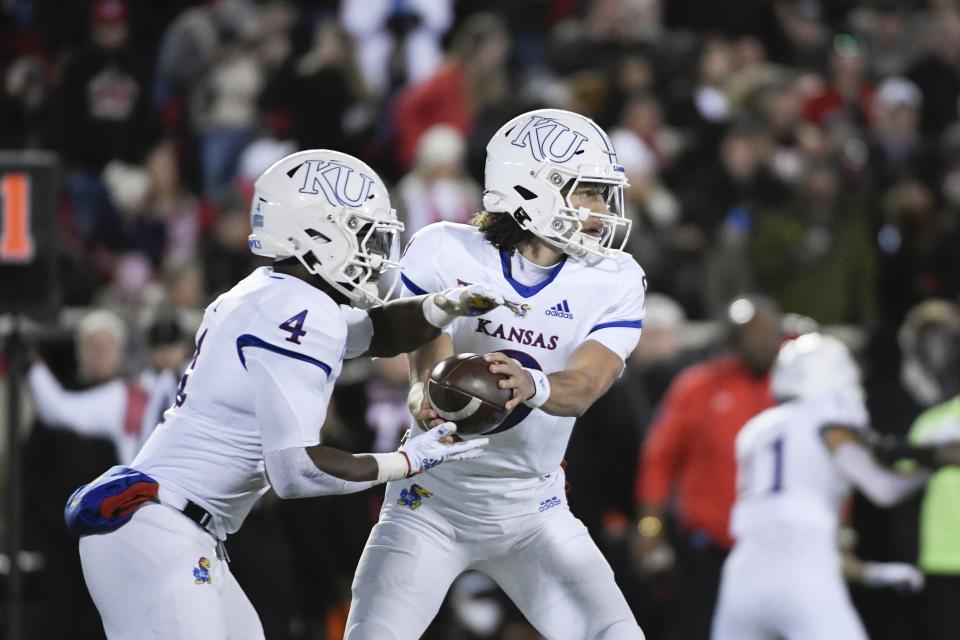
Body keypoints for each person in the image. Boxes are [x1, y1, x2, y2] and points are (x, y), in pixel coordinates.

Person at [69, 149, 511, 640]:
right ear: (318, 232)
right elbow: (295, 471)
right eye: (361, 232)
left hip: (173, 526)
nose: (373, 251)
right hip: (161, 529)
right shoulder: (298, 309)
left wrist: (442, 305)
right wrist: (406, 462)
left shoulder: (275, 293)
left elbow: (373, 333)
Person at [345, 108, 647, 639]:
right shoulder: (446, 248)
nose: (603, 209)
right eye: (589, 192)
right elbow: (426, 380)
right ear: (533, 191)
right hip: (430, 503)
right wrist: (431, 397)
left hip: (534, 508)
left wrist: (534, 385)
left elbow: (585, 387)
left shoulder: (615, 279)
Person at [712, 333, 936, 640]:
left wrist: (876, 573)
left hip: (741, 578)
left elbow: (786, 533)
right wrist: (929, 469)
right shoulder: (828, 421)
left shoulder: (755, 431)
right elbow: (884, 488)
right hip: (803, 576)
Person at [633, 294, 782, 640]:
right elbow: (659, 460)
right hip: (707, 548)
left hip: (776, 546)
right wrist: (650, 530)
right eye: (751, 333)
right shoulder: (697, 386)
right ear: (732, 338)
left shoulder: (793, 388)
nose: (761, 342)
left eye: (767, 333)